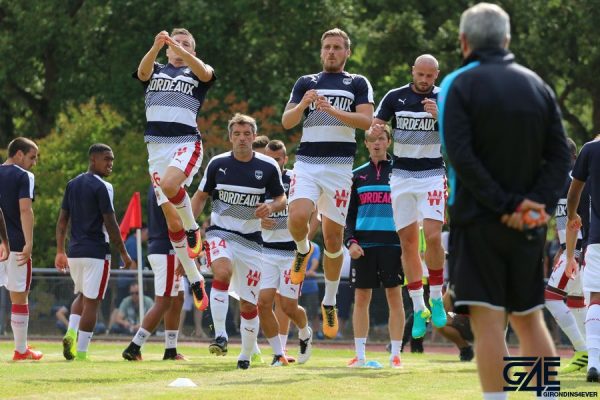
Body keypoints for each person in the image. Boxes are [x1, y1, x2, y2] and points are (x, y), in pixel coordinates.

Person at [439, 3, 570, 398]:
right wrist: (535, 205)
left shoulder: (456, 85)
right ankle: (547, 395)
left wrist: (505, 204)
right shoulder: (537, 84)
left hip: (479, 221)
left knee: (488, 322)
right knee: (530, 319)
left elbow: (460, 156)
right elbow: (561, 154)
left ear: (464, 41)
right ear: (507, 39)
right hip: (529, 225)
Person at [282, 28, 374, 339]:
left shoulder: (357, 83)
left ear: (347, 52)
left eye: (337, 47)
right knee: (297, 217)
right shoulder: (306, 82)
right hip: (307, 162)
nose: (331, 52)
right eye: (327, 47)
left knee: (334, 240)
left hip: (338, 168)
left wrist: (333, 110)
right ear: (321, 52)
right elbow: (286, 121)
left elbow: (366, 122)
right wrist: (302, 104)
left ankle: (330, 301)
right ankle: (301, 249)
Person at [191, 113, 286, 370]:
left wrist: (271, 207)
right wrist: (189, 225)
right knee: (221, 273)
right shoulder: (217, 164)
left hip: (252, 241)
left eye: (247, 134)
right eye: (237, 134)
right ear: (230, 137)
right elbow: (200, 196)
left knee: (248, 303)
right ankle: (220, 335)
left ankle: (245, 354)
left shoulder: (268, 166)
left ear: (254, 137)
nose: (242, 139)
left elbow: (281, 199)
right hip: (221, 232)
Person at [134, 28, 215, 310]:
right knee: (171, 222)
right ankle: (195, 279)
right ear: (167, 50)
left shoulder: (197, 73)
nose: (178, 47)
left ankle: (194, 228)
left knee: (171, 187)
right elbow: (142, 73)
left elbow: (206, 73)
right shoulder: (155, 69)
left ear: (192, 51)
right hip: (155, 148)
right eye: (175, 43)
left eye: (185, 44)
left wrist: (182, 51)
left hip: (184, 142)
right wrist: (156, 46)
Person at [371, 53, 447, 340]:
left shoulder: (444, 99)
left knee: (434, 237)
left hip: (432, 174)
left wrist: (440, 117)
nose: (424, 80)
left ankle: (437, 297)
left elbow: (461, 135)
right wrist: (377, 128)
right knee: (408, 243)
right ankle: (419, 307)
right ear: (412, 71)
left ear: (436, 75)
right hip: (402, 175)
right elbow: (376, 124)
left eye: (430, 76)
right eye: (420, 74)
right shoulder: (395, 96)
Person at [55, 143, 134, 361]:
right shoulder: (103, 187)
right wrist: (125, 254)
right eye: (106, 159)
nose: (110, 164)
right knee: (93, 301)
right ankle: (81, 353)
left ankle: (70, 332)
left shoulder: (72, 184)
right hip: (96, 252)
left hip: (75, 251)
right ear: (93, 160)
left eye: (112, 160)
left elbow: (62, 221)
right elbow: (111, 223)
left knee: (81, 295)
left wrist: (60, 250)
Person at [344, 126, 404, 368]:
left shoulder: (401, 172)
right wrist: (350, 241)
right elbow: (347, 215)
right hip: (363, 246)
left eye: (381, 138)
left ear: (388, 141)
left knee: (395, 297)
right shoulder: (356, 175)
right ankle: (360, 356)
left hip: (393, 245)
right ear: (366, 144)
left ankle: (396, 355)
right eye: (372, 139)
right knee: (361, 298)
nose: (377, 143)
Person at [258, 139, 313, 366]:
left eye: (278, 159)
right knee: (263, 302)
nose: (274, 163)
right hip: (266, 251)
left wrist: (304, 245)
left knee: (288, 306)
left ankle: (304, 331)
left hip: (291, 253)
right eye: (270, 159)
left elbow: (314, 216)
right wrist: (259, 221)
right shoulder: (259, 180)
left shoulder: (296, 181)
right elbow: (248, 212)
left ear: (285, 159)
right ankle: (278, 353)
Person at [122, 187, 189, 360]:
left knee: (178, 297)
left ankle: (170, 350)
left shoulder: (159, 184)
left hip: (164, 248)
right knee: (164, 301)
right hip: (168, 249)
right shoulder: (168, 184)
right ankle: (134, 346)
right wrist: (184, 252)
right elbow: (176, 222)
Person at [545, 138, 589, 373]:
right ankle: (588, 353)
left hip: (581, 251)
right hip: (572, 249)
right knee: (575, 301)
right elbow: (565, 220)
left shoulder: (574, 181)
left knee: (551, 297)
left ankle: (583, 349)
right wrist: (563, 248)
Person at [0, 137, 42, 361]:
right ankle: (21, 350)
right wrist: (29, 242)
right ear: (18, 154)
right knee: (19, 296)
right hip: (16, 245)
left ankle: (22, 348)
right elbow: (25, 210)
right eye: (32, 157)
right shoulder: (24, 176)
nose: (34, 162)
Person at [565, 135, 600, 382]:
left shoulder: (589, 149)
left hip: (597, 239)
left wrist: (572, 215)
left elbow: (574, 192)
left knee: (596, 298)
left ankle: (594, 364)